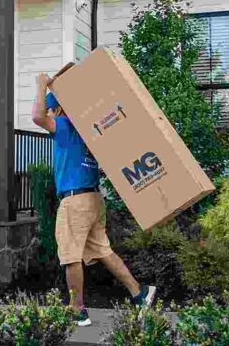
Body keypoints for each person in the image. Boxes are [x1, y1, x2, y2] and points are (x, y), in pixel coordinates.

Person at [31, 74, 156, 327]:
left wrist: (42, 85)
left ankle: (77, 310)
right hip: (94, 199)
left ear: (61, 109)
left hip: (75, 200)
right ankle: (139, 293)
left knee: (70, 256)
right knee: (103, 251)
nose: (52, 112)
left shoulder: (66, 126)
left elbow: (37, 116)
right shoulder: (92, 131)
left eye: (54, 108)